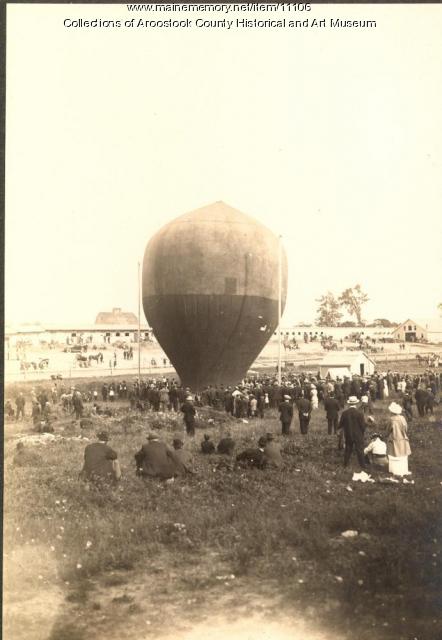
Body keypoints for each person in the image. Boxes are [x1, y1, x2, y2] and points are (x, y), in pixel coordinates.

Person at [338, 396, 367, 469]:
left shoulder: (345, 413)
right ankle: (362, 465)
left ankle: (345, 464)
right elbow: (363, 426)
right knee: (360, 450)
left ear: (349, 404)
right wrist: (362, 433)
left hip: (348, 434)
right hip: (358, 434)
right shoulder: (359, 413)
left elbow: (340, 424)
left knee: (348, 449)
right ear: (356, 404)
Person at [386, 402, 411, 475]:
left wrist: (387, 435)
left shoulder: (391, 419)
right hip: (403, 438)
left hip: (394, 438)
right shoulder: (403, 418)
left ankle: (395, 470)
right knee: (403, 455)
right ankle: (403, 470)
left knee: (394, 454)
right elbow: (406, 428)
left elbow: (388, 430)